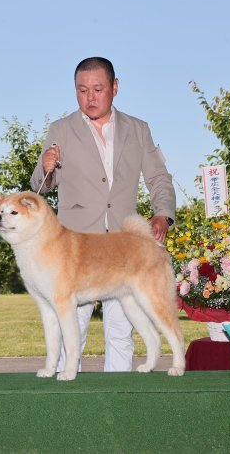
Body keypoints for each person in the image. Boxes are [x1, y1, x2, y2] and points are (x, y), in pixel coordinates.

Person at [31, 57, 176, 372]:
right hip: (75, 250)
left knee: (122, 334)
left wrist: (163, 213)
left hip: (123, 248)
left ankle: (118, 401)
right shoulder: (60, 129)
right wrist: (45, 167)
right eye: (82, 90)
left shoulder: (139, 129)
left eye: (98, 89)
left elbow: (158, 178)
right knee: (73, 331)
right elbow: (39, 187)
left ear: (115, 87)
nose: (89, 97)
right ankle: (68, 402)